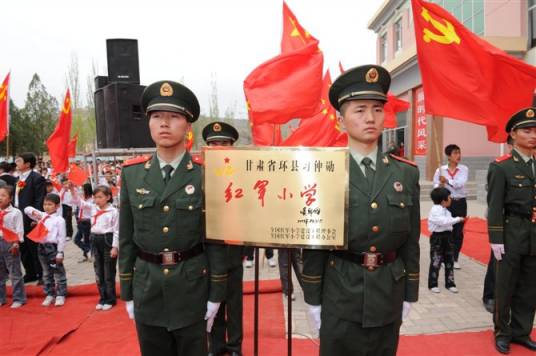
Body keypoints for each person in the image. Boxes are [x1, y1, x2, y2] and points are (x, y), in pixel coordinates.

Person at [302, 65, 420, 356]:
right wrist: (312, 298)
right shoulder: (325, 172)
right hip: (341, 292)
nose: (370, 118)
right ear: (341, 121)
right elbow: (315, 241)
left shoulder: (405, 174)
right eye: (360, 110)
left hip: (388, 293)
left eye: (378, 109)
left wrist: (410, 293)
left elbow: (411, 240)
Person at [119, 80, 227, 356]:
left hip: (191, 288)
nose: (164, 124)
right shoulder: (132, 174)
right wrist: (127, 290)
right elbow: (127, 237)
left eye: (174, 117)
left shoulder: (205, 173)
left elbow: (215, 240)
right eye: (157, 117)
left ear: (187, 126)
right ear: (149, 123)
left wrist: (216, 293)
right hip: (147, 288)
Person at [486, 107, 536, 354]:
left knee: (530, 285)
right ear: (513, 134)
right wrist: (496, 238)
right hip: (511, 231)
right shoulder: (501, 167)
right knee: (505, 285)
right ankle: (502, 332)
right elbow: (494, 206)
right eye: (527, 130)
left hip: (534, 233)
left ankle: (521, 331)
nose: (533, 135)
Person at [202, 121, 243, 356]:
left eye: (224, 143)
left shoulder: (242, 175)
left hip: (232, 250)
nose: (218, 147)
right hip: (207, 252)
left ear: (232, 146)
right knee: (212, 304)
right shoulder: (198, 174)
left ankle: (235, 346)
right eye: (213, 143)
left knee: (234, 304)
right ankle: (215, 346)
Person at [24, 193, 67, 307]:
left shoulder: (59, 220)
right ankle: (49, 293)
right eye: (45, 204)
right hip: (42, 247)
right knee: (46, 273)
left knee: (57, 271)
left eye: (50, 204)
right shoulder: (42, 216)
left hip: (53, 248)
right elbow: (27, 209)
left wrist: (60, 252)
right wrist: (34, 212)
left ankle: (60, 294)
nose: (47, 206)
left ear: (57, 206)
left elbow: (62, 237)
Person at [433, 144, 468, 269]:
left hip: (460, 203)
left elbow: (460, 184)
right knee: (446, 230)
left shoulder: (464, 169)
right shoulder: (440, 170)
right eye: (455, 153)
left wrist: (447, 181)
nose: (458, 155)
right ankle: (443, 257)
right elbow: (435, 188)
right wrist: (440, 184)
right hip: (446, 203)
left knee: (458, 232)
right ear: (449, 156)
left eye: (459, 152)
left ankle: (455, 257)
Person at [15, 152, 46, 284]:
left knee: (34, 247)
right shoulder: (20, 178)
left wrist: (36, 218)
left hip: (30, 218)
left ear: (27, 164)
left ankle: (41, 274)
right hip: (18, 217)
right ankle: (30, 272)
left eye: (19, 161)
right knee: (23, 247)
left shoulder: (37, 178)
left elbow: (39, 200)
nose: (16, 163)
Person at [427, 187, 464, 294]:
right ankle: (433, 284)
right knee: (436, 261)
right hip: (437, 238)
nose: (451, 199)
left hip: (448, 237)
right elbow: (443, 222)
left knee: (449, 260)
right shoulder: (435, 210)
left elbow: (448, 222)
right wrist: (458, 219)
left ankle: (450, 283)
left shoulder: (446, 210)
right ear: (443, 200)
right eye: (449, 197)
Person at [89, 185, 118, 311]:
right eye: (95, 197)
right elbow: (77, 202)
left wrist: (115, 247)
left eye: (100, 197)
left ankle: (110, 299)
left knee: (108, 272)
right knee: (98, 271)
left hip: (108, 240)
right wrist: (72, 190)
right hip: (95, 239)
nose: (97, 200)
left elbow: (117, 230)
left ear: (108, 197)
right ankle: (102, 297)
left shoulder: (113, 212)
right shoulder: (93, 209)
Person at [0, 186, 26, 308]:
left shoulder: (16, 212)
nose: (0, 198)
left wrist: (16, 243)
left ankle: (19, 298)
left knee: (14, 272)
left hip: (10, 243)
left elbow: (19, 230)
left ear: (10, 198)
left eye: (3, 195)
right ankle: (1, 298)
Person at [72, 183, 93, 262]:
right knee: (76, 240)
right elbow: (75, 201)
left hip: (87, 222)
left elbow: (83, 204)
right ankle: (88, 252)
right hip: (80, 222)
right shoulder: (83, 199)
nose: (81, 191)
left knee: (86, 240)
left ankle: (88, 254)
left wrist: (78, 198)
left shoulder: (92, 200)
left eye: (83, 190)